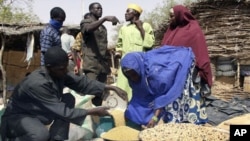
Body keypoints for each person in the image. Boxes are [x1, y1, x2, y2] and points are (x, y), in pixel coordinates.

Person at [0, 47, 127, 141]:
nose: (65, 71)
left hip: (39, 113)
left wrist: (109, 87)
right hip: (19, 117)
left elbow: (81, 83)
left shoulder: (59, 72)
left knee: (68, 98)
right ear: (49, 67)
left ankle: (57, 138)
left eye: (66, 67)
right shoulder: (37, 84)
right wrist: (93, 111)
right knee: (40, 135)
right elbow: (63, 111)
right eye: (61, 68)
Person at [121, 46, 207, 130]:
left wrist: (154, 118)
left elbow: (163, 96)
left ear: (138, 68)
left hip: (181, 63)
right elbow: (139, 96)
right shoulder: (135, 70)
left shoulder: (155, 74)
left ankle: (182, 128)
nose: (132, 78)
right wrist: (130, 111)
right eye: (129, 75)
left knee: (174, 104)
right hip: (162, 72)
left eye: (134, 74)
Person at [161, 5, 212, 89]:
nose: (170, 19)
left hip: (187, 71)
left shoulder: (193, 29)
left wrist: (204, 72)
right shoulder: (171, 30)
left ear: (179, 14)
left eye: (172, 16)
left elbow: (200, 51)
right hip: (170, 70)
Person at [78, 2, 120, 106]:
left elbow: (103, 47)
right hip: (91, 65)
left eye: (101, 8)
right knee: (90, 92)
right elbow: (88, 29)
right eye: (97, 8)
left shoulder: (103, 28)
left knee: (101, 93)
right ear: (91, 10)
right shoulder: (85, 22)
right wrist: (105, 19)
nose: (100, 10)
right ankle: (88, 117)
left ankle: (98, 118)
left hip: (102, 65)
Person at [115, 3, 155, 100]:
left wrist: (140, 27)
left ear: (135, 13)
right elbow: (119, 44)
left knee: (139, 87)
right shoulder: (124, 28)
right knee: (123, 87)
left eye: (128, 11)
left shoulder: (146, 26)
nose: (125, 13)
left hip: (140, 64)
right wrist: (118, 52)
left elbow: (150, 43)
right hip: (125, 63)